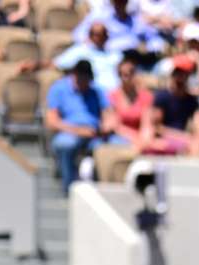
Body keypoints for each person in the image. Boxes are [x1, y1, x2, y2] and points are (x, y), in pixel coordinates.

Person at [45, 60, 124, 194]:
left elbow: (110, 115)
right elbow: (52, 122)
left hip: (95, 134)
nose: (84, 84)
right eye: (81, 79)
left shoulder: (97, 90)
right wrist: (79, 131)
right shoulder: (58, 89)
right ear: (74, 75)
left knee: (121, 145)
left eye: (87, 80)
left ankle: (109, 190)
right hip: (70, 132)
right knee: (65, 144)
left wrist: (106, 127)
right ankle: (69, 189)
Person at [74, 0, 165, 58]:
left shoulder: (135, 21)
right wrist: (90, 41)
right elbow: (78, 34)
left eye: (123, 1)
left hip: (130, 59)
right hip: (102, 56)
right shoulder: (100, 15)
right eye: (117, 1)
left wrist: (148, 49)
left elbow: (156, 40)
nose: (120, 3)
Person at [54, 21, 124, 92]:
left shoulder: (116, 54)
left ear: (107, 36)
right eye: (97, 34)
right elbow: (59, 63)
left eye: (103, 34)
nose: (100, 37)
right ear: (90, 36)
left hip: (115, 92)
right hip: (91, 93)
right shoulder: (80, 50)